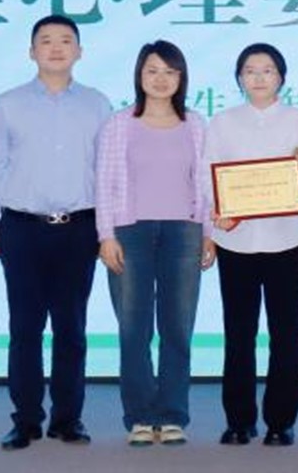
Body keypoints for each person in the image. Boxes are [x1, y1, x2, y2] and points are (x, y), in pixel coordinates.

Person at [0, 15, 112, 450]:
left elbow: (107, 172)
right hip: (21, 228)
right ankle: (26, 420)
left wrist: (107, 229)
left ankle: (68, 419)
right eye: (46, 40)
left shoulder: (97, 104)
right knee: (25, 328)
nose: (56, 47)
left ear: (80, 51)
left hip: (79, 228)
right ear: (31, 51)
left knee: (71, 328)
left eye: (66, 40)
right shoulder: (7, 103)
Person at [204, 43, 298, 448]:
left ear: (281, 77)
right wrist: (218, 212)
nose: (258, 77)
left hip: (288, 238)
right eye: (250, 70)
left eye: (267, 70)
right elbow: (208, 176)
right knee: (238, 332)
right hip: (235, 240)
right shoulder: (222, 122)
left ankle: (280, 421)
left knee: (286, 332)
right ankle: (239, 421)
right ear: (239, 78)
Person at [95, 40, 213, 447]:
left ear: (181, 77)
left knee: (178, 327)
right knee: (134, 329)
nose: (161, 79)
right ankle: (141, 417)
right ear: (139, 76)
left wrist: (208, 233)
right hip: (130, 233)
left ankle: (174, 415)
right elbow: (104, 184)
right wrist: (105, 236)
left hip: (184, 232)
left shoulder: (195, 124)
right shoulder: (119, 124)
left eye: (170, 71)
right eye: (152, 70)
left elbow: (205, 183)